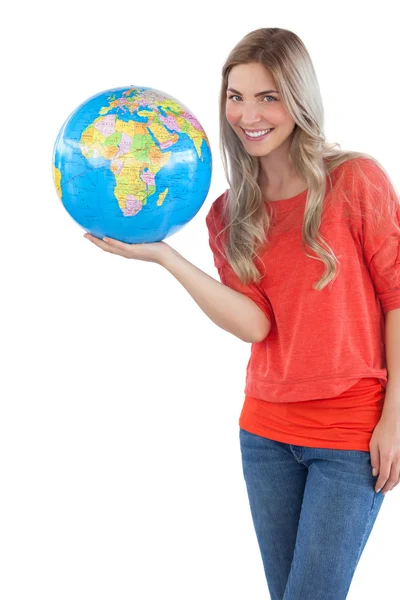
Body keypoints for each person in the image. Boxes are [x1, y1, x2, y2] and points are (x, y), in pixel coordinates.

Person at [83, 27, 400, 600]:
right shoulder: (230, 213)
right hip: (266, 434)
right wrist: (163, 256)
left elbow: (398, 299)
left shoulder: (356, 181)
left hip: (351, 432)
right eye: (236, 96)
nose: (248, 114)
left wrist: (395, 418)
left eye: (268, 96)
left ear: (299, 100)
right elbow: (255, 325)